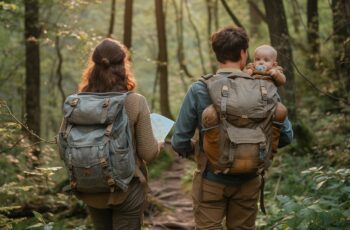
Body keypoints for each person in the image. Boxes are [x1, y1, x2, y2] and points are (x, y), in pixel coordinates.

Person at [171, 26, 293, 229]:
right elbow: (286, 136)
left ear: (216, 53)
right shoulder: (266, 89)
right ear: (244, 53)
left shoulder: (200, 89)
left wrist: (199, 148)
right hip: (249, 181)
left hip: (210, 180)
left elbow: (179, 141)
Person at [75, 38, 162, 230]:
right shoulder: (134, 102)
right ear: (123, 65)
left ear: (94, 67)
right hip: (127, 189)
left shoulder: (77, 104)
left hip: (92, 187)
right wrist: (160, 142)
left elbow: (62, 149)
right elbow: (148, 153)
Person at [202, 44, 288, 157]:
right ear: (244, 54)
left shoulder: (203, 86)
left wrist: (275, 74)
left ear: (274, 63)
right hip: (256, 163)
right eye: (258, 59)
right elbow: (287, 137)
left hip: (216, 162)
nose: (261, 62)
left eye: (266, 60)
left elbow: (282, 80)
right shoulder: (252, 69)